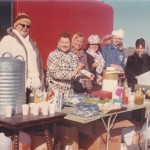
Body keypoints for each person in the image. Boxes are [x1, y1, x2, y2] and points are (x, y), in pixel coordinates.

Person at [0, 12, 45, 102]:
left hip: (33, 88)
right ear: (16, 25)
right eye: (23, 25)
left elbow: (38, 65)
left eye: (28, 26)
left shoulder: (32, 44)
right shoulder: (8, 40)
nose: (25, 28)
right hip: (16, 88)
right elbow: (4, 65)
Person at [46, 32, 83, 101]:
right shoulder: (53, 55)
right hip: (55, 94)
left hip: (70, 94)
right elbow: (56, 73)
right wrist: (74, 72)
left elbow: (76, 75)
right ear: (59, 43)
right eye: (62, 42)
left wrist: (83, 78)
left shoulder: (74, 57)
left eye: (67, 42)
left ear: (70, 44)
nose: (65, 45)